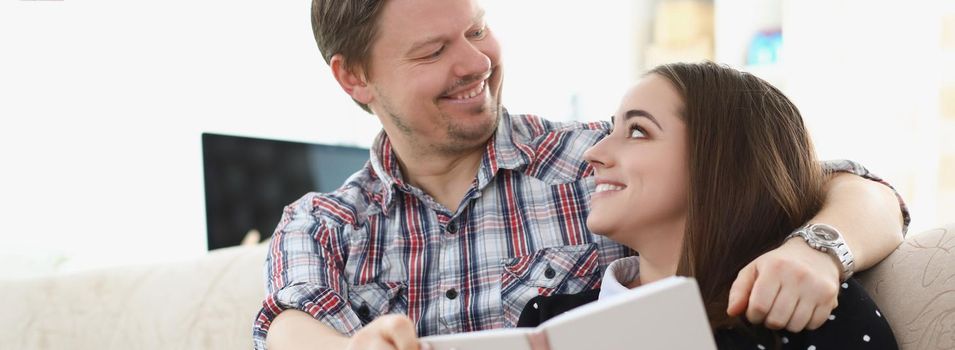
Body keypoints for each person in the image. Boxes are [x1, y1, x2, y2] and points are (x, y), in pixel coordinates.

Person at [255, 1, 909, 349]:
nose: (474, 63)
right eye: (432, 51)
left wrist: (818, 249)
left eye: (476, 29)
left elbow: (813, 179)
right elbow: (287, 324)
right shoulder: (322, 226)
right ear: (354, 77)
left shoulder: (602, 163)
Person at [521, 61, 898, 349]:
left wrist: (818, 251)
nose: (594, 152)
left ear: (721, 164)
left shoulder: (807, 307)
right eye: (610, 130)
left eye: (638, 131)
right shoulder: (547, 323)